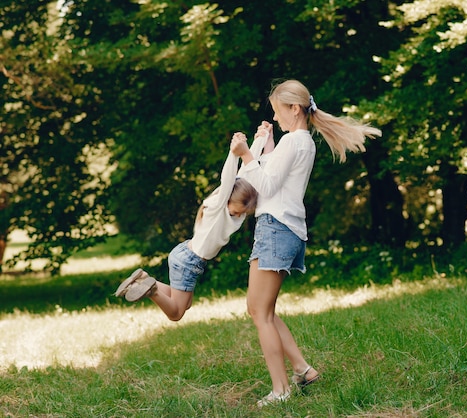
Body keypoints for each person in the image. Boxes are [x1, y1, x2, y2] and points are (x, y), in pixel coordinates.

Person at [230, 79, 382, 406]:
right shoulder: (300, 142)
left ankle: (281, 390)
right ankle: (302, 369)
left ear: (294, 108)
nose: (277, 118)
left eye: (277, 112)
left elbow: (266, 187)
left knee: (259, 311)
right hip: (286, 229)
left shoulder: (295, 142)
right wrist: (267, 144)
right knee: (264, 310)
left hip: (275, 228)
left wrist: (245, 155)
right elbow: (276, 175)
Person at [115, 134, 272, 321]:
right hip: (188, 260)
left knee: (184, 303)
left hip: (187, 255)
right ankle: (151, 291)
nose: (239, 216)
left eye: (242, 214)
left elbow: (246, 173)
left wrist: (261, 138)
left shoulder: (235, 200)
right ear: (227, 198)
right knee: (176, 313)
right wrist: (233, 153)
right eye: (237, 211)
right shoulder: (218, 207)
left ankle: (144, 280)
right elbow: (229, 179)